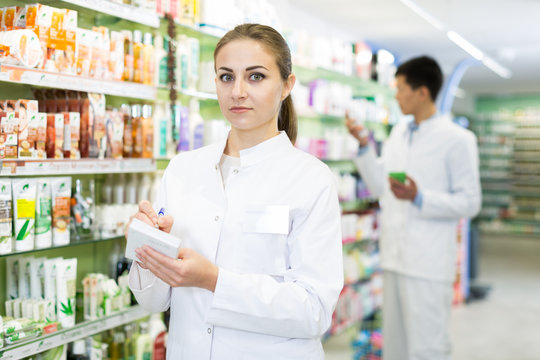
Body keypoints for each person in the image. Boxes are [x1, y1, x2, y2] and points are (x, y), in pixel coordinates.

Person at [126, 23, 344, 359]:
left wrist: (214, 280)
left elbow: (314, 310)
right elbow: (154, 301)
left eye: (255, 76)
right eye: (226, 76)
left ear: (287, 86)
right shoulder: (183, 170)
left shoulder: (311, 180)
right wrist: (147, 249)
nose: (237, 91)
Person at [346, 56, 481, 360]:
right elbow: (382, 187)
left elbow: (470, 202)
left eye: (401, 89)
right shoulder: (399, 134)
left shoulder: (458, 140)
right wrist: (365, 146)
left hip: (428, 264)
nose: (396, 96)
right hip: (394, 259)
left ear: (422, 92)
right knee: (395, 346)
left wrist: (421, 197)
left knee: (427, 347)